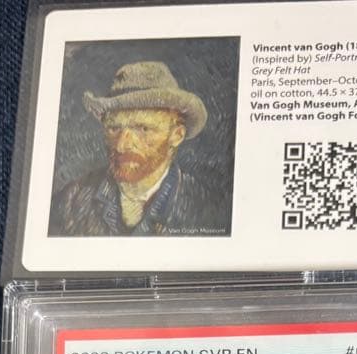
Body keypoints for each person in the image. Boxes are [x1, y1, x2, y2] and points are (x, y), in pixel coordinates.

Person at [49, 61, 227, 237]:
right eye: (114, 128)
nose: (121, 145)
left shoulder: (208, 209)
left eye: (143, 129)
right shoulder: (70, 201)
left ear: (176, 135)